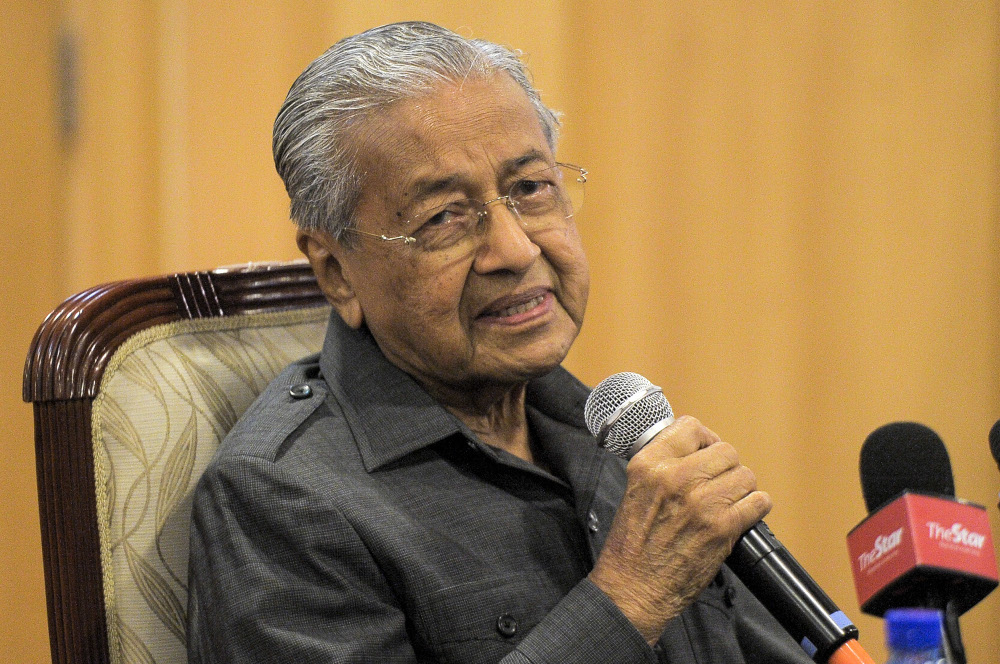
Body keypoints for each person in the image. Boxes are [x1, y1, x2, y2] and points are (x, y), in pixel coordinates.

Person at [187, 21, 813, 663]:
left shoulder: (612, 433)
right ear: (338, 274)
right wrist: (631, 595)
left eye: (531, 189)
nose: (516, 249)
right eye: (443, 219)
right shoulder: (283, 500)